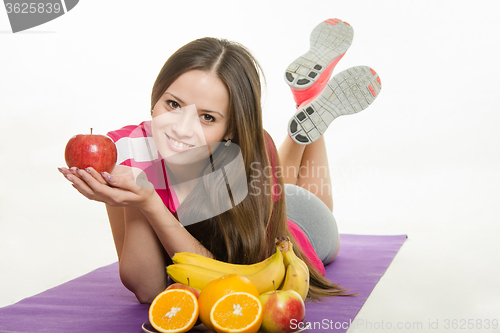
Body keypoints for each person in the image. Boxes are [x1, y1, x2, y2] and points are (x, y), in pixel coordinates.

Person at [59, 18, 381, 303]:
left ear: (231, 130)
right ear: (155, 99)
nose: (183, 128)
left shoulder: (249, 151)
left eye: (207, 118)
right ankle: (308, 105)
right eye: (173, 104)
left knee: (323, 214)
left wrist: (152, 204)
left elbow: (229, 281)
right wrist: (137, 200)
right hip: (267, 188)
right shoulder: (125, 150)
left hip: (297, 224)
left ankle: (307, 108)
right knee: (274, 175)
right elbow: (147, 290)